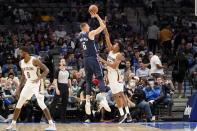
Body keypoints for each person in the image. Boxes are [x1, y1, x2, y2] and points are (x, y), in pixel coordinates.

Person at [6, 46, 56, 131]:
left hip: (38, 84)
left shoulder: (34, 60)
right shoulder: (21, 62)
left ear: (25, 52)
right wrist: (18, 88)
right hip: (29, 83)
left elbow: (46, 70)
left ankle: (52, 125)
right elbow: (23, 76)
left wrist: (38, 79)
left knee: (41, 103)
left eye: (21, 52)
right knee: (19, 103)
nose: (19, 53)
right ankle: (13, 125)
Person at [78, 11, 110, 116]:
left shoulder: (80, 35)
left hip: (85, 60)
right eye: (88, 26)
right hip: (93, 58)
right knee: (100, 78)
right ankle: (104, 100)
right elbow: (102, 26)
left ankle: (87, 102)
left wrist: (92, 20)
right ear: (85, 28)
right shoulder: (90, 33)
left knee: (88, 81)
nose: (89, 27)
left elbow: (91, 32)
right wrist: (97, 16)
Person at [99, 27, 132, 123]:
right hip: (110, 75)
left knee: (121, 94)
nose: (114, 45)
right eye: (114, 44)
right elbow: (107, 36)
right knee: (115, 95)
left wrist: (103, 60)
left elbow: (114, 66)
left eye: (116, 44)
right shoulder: (110, 50)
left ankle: (128, 114)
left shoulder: (119, 55)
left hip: (116, 75)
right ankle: (122, 114)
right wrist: (104, 27)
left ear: (118, 47)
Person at [51, 58, 71, 123]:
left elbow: (69, 79)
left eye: (64, 61)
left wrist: (70, 88)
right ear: (59, 63)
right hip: (59, 86)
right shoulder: (57, 70)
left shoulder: (67, 70)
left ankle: (63, 120)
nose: (63, 62)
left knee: (64, 104)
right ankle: (49, 118)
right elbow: (55, 80)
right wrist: (56, 89)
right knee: (54, 103)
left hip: (66, 87)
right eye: (61, 61)